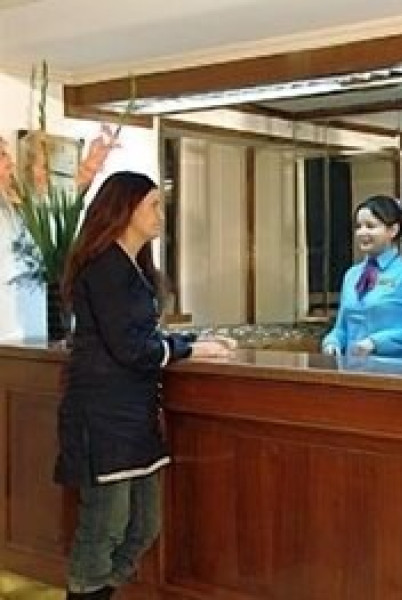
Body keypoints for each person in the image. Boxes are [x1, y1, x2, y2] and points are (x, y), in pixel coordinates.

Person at [55, 172, 234, 599]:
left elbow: (142, 335)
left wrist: (191, 342)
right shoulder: (104, 268)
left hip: (134, 419)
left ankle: (100, 593)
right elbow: (131, 347)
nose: (160, 215)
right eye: (152, 205)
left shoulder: (133, 268)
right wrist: (189, 350)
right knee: (103, 529)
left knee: (144, 526)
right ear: (124, 208)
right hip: (103, 418)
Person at [322, 195, 402, 358]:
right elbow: (341, 327)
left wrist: (377, 342)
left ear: (393, 230)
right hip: (352, 368)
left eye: (370, 226)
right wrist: (332, 342)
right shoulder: (352, 275)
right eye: (358, 226)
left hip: (395, 369)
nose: (362, 232)